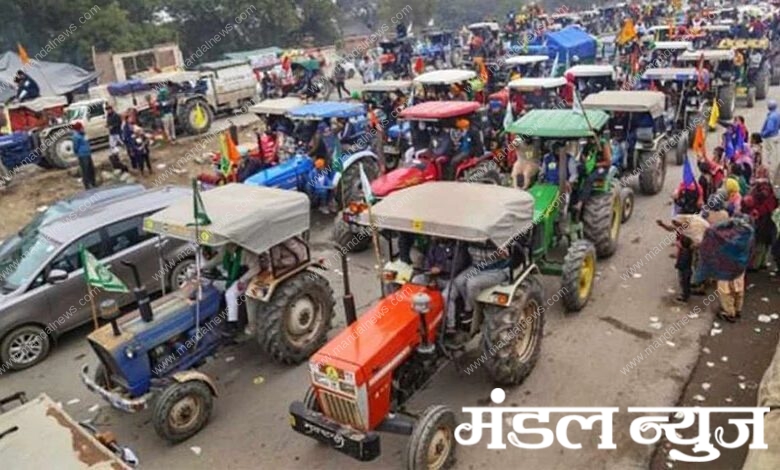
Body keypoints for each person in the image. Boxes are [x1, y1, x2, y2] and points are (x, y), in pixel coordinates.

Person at [451, 243, 511, 326]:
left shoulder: (497, 240)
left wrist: (503, 253)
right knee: (459, 281)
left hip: (496, 270)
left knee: (472, 283)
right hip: (477, 268)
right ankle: (469, 303)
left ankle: (470, 311)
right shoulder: (473, 239)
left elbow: (507, 255)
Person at [72, 122, 96, 189]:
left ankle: (93, 183)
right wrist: (77, 153)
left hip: (88, 153)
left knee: (91, 169)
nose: (83, 129)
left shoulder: (84, 134)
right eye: (82, 128)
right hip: (82, 155)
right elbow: (75, 147)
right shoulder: (76, 136)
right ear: (79, 129)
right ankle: (87, 185)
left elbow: (87, 142)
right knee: (85, 170)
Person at [761, 100, 780, 180]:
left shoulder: (771, 117)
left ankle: (770, 172)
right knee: (774, 153)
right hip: (776, 136)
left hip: (770, 138)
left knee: (768, 154)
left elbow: (769, 128)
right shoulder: (777, 114)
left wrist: (763, 134)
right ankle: (774, 167)